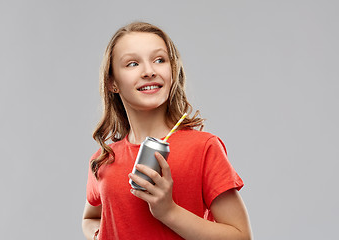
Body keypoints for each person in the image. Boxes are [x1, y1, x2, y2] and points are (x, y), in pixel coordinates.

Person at [82, 22, 252, 240]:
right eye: (133, 64)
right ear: (112, 82)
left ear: (173, 72)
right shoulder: (103, 159)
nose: (149, 71)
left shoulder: (203, 148)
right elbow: (90, 218)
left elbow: (241, 236)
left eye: (159, 60)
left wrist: (169, 212)